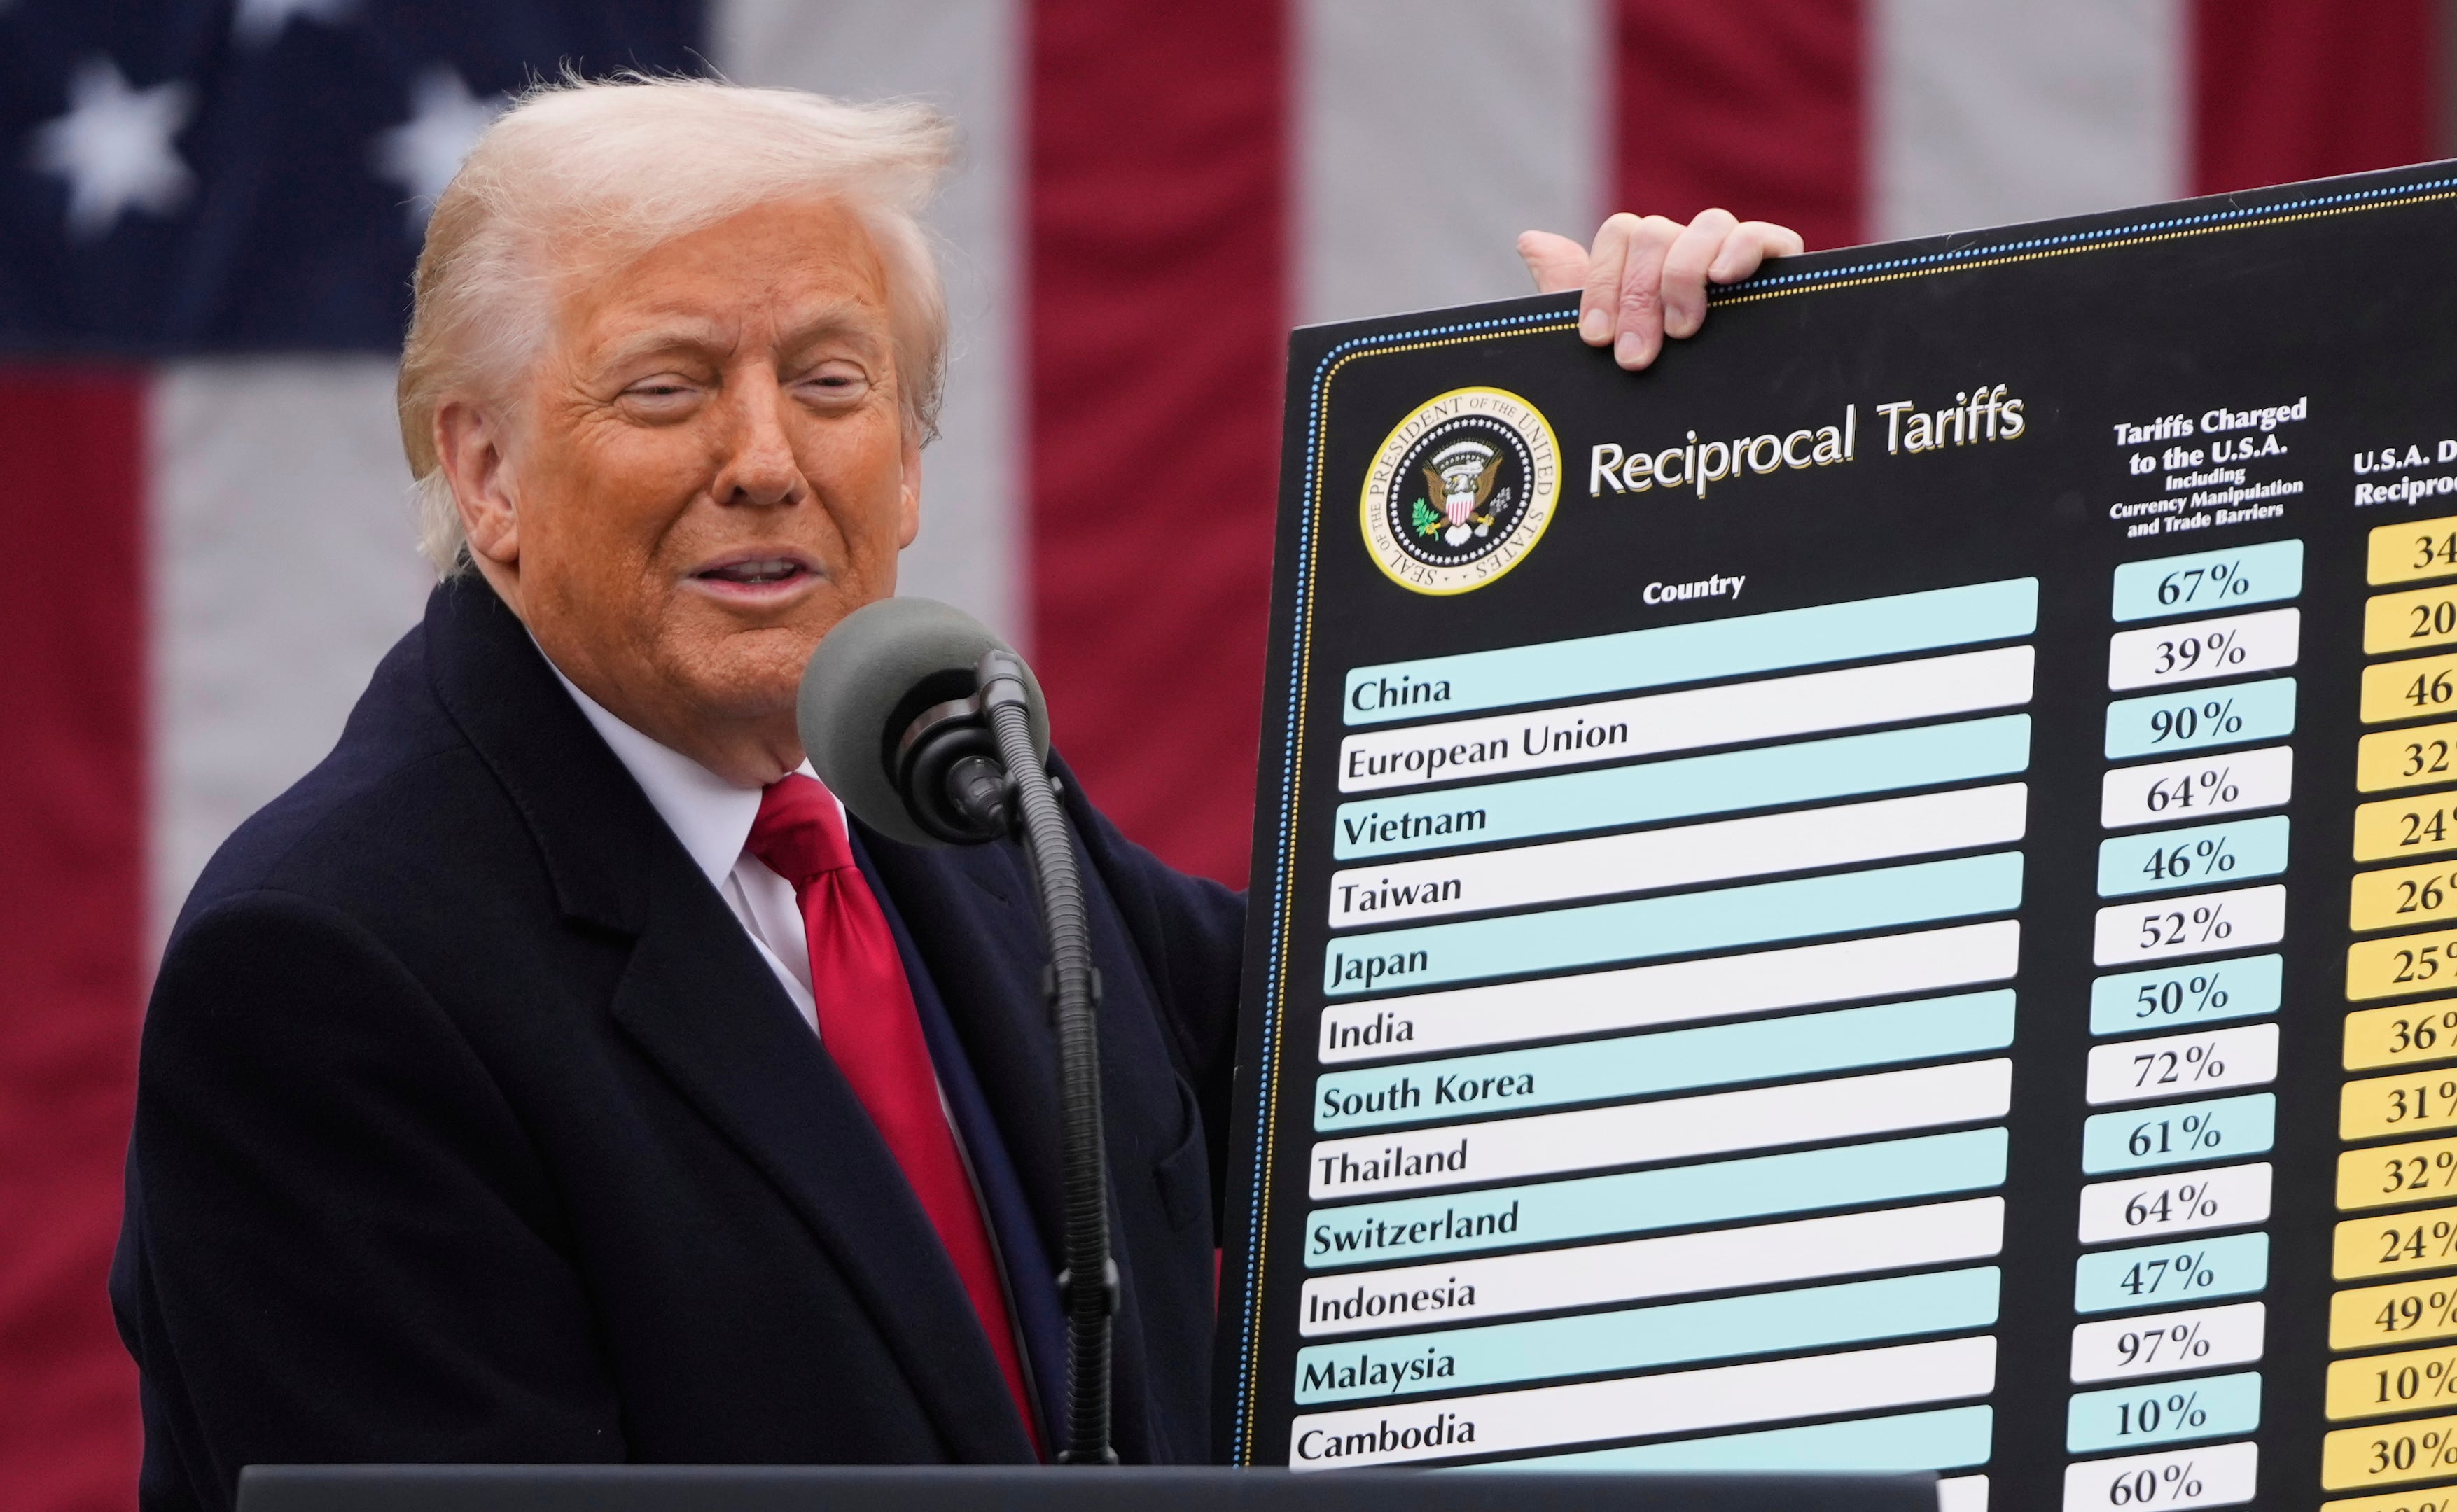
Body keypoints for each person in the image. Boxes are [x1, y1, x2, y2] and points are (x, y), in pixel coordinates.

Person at [109, 75, 1801, 1510]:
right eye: (668, 386)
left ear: (909, 464)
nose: (766, 459)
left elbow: (1441, 1066)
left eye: (830, 382)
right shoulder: (328, 970)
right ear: (486, 472)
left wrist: (1676, 472)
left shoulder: (957, 791)